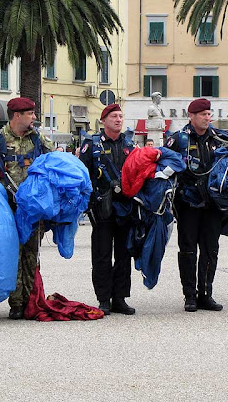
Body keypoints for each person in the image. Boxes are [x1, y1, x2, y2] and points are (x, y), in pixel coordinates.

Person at [0, 97, 54, 319]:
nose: (34, 117)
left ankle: (30, 301)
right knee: (13, 255)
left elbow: (55, 163)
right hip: (8, 209)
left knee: (32, 255)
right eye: (30, 113)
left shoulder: (39, 139)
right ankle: (16, 304)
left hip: (33, 210)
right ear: (17, 116)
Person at [167, 98, 227, 312]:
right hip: (187, 204)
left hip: (212, 204)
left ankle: (206, 294)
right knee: (188, 250)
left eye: (209, 113)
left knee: (211, 250)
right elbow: (166, 168)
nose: (207, 117)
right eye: (202, 114)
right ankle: (190, 295)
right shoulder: (179, 140)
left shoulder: (218, 139)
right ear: (191, 116)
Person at [79, 103, 136, 316]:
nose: (118, 119)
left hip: (125, 208)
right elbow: (82, 175)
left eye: (121, 116)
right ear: (104, 120)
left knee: (124, 254)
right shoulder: (92, 145)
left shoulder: (129, 144)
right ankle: (103, 299)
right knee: (102, 255)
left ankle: (120, 298)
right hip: (101, 208)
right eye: (114, 116)